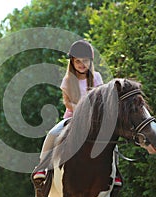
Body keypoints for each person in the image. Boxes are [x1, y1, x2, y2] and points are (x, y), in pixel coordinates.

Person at [32, 40, 122, 187]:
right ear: (72, 63)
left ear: (90, 61)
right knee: (53, 134)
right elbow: (67, 102)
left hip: (94, 119)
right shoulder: (68, 80)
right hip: (72, 117)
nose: (81, 64)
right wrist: (80, 111)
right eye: (77, 61)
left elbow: (101, 100)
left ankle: (115, 172)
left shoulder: (97, 77)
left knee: (111, 140)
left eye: (84, 61)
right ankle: (42, 167)